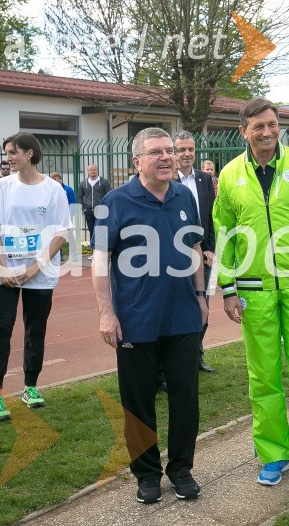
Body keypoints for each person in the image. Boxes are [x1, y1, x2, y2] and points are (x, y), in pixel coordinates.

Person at [214, 97, 289, 485]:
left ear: (278, 125)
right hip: (254, 291)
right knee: (262, 376)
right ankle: (272, 454)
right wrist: (227, 288)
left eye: (272, 124)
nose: (266, 132)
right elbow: (225, 235)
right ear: (243, 131)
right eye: (258, 126)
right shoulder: (230, 175)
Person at [92, 127, 206, 504]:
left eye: (170, 151)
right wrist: (107, 314)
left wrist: (201, 294)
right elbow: (99, 261)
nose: (166, 157)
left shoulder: (184, 195)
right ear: (137, 161)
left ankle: (181, 469)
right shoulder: (115, 200)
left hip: (184, 318)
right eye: (156, 152)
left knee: (185, 398)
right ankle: (146, 474)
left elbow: (193, 248)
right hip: (135, 320)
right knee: (138, 402)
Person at [0, 132, 72, 421]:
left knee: (36, 331)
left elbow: (61, 231)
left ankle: (30, 387)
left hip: (40, 274)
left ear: (29, 153)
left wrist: (36, 266)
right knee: (1, 331)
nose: (8, 158)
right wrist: (3, 266)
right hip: (3, 273)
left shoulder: (53, 189)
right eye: (7, 153)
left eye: (12, 152)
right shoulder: (2, 186)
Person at [175, 131, 217, 373]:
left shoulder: (204, 179)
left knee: (203, 307)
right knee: (179, 307)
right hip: (177, 257)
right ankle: (176, 361)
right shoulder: (167, 178)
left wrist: (210, 248)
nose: (187, 153)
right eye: (181, 149)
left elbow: (211, 218)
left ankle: (197, 355)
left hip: (203, 256)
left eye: (190, 149)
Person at [78, 164, 112, 245]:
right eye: (91, 170)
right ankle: (94, 251)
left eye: (94, 169)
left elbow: (109, 195)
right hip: (88, 211)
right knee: (91, 230)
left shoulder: (104, 182)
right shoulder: (83, 183)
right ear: (88, 171)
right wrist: (83, 208)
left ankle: (103, 249)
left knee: (101, 230)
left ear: (97, 170)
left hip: (101, 210)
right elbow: (79, 196)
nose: (93, 171)